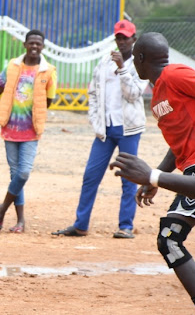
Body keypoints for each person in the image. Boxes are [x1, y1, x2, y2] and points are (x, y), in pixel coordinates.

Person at [111, 21, 195, 315]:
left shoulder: (176, 73)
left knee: (169, 239)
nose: (134, 64)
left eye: (135, 58)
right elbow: (179, 143)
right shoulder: (159, 91)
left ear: (143, 58)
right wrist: (155, 178)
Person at [53, 20, 148, 239]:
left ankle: (126, 225)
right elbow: (93, 92)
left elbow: (133, 94)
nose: (122, 41)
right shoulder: (105, 62)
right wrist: (95, 120)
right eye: (119, 37)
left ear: (134, 39)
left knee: (129, 177)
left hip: (129, 128)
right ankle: (80, 224)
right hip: (105, 128)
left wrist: (122, 69)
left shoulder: (139, 65)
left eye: (126, 38)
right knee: (91, 175)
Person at [0, 29, 56, 233]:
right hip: (10, 129)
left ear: (42, 47)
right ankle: (20, 221)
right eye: (31, 43)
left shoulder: (48, 71)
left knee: (23, 173)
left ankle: (0, 212)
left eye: (38, 44)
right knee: (15, 175)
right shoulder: (12, 66)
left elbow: (48, 100)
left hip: (31, 131)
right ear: (25, 45)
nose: (35, 47)